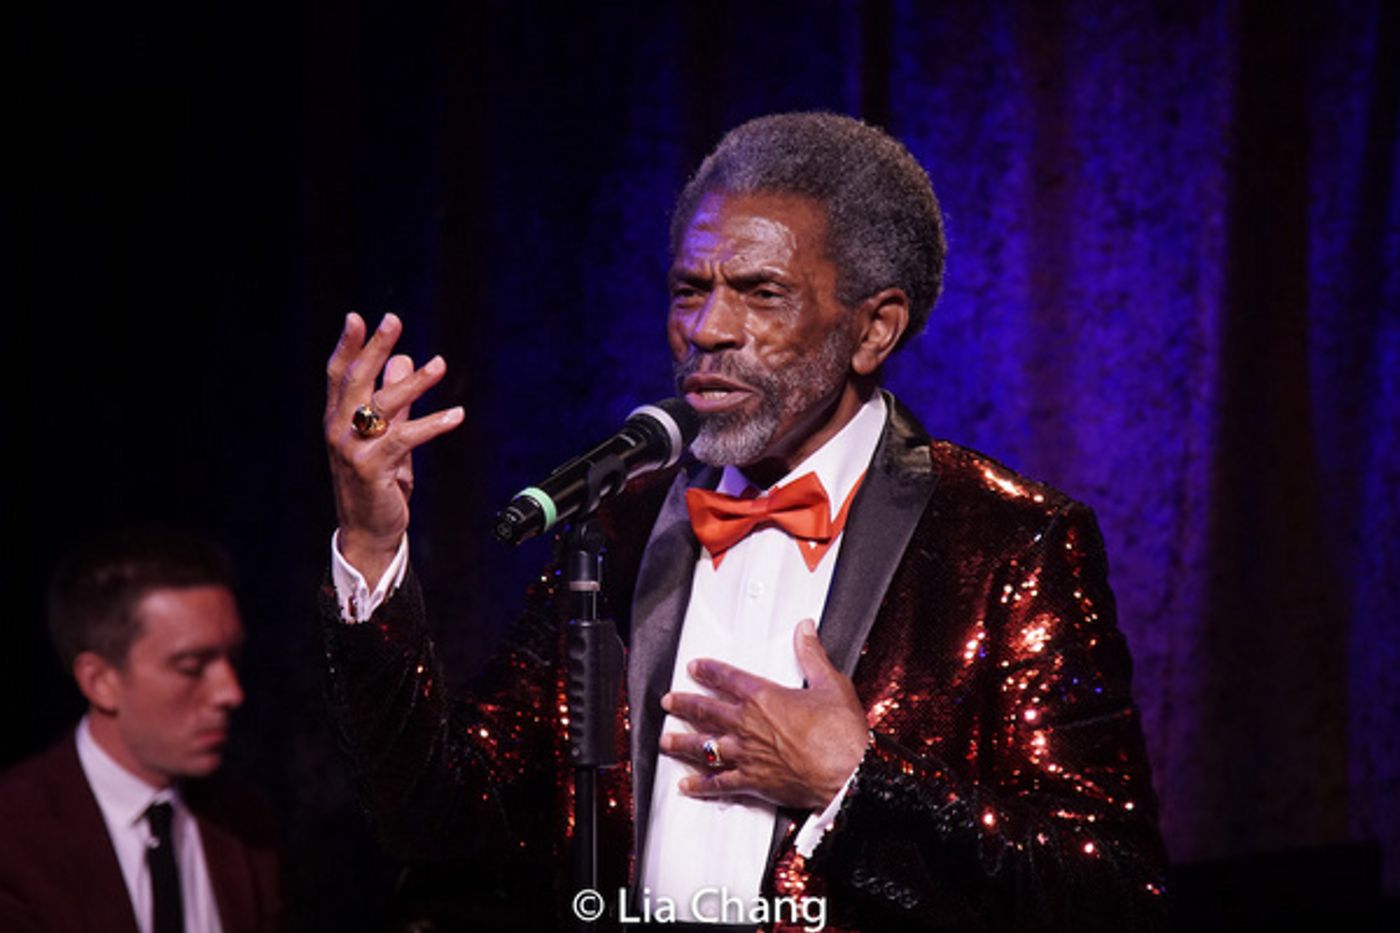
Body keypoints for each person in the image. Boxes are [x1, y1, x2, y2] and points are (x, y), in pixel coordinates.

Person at [320, 112, 1168, 931]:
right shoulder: (620, 525)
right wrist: (370, 538)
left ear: (874, 330)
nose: (707, 329)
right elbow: (438, 818)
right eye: (690, 290)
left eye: (760, 292)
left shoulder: (1008, 541)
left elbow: (1110, 893)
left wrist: (857, 781)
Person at [0, 529, 284, 933]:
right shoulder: (14, 838)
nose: (230, 692)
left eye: (231, 658)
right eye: (191, 666)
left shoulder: (246, 821)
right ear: (99, 681)